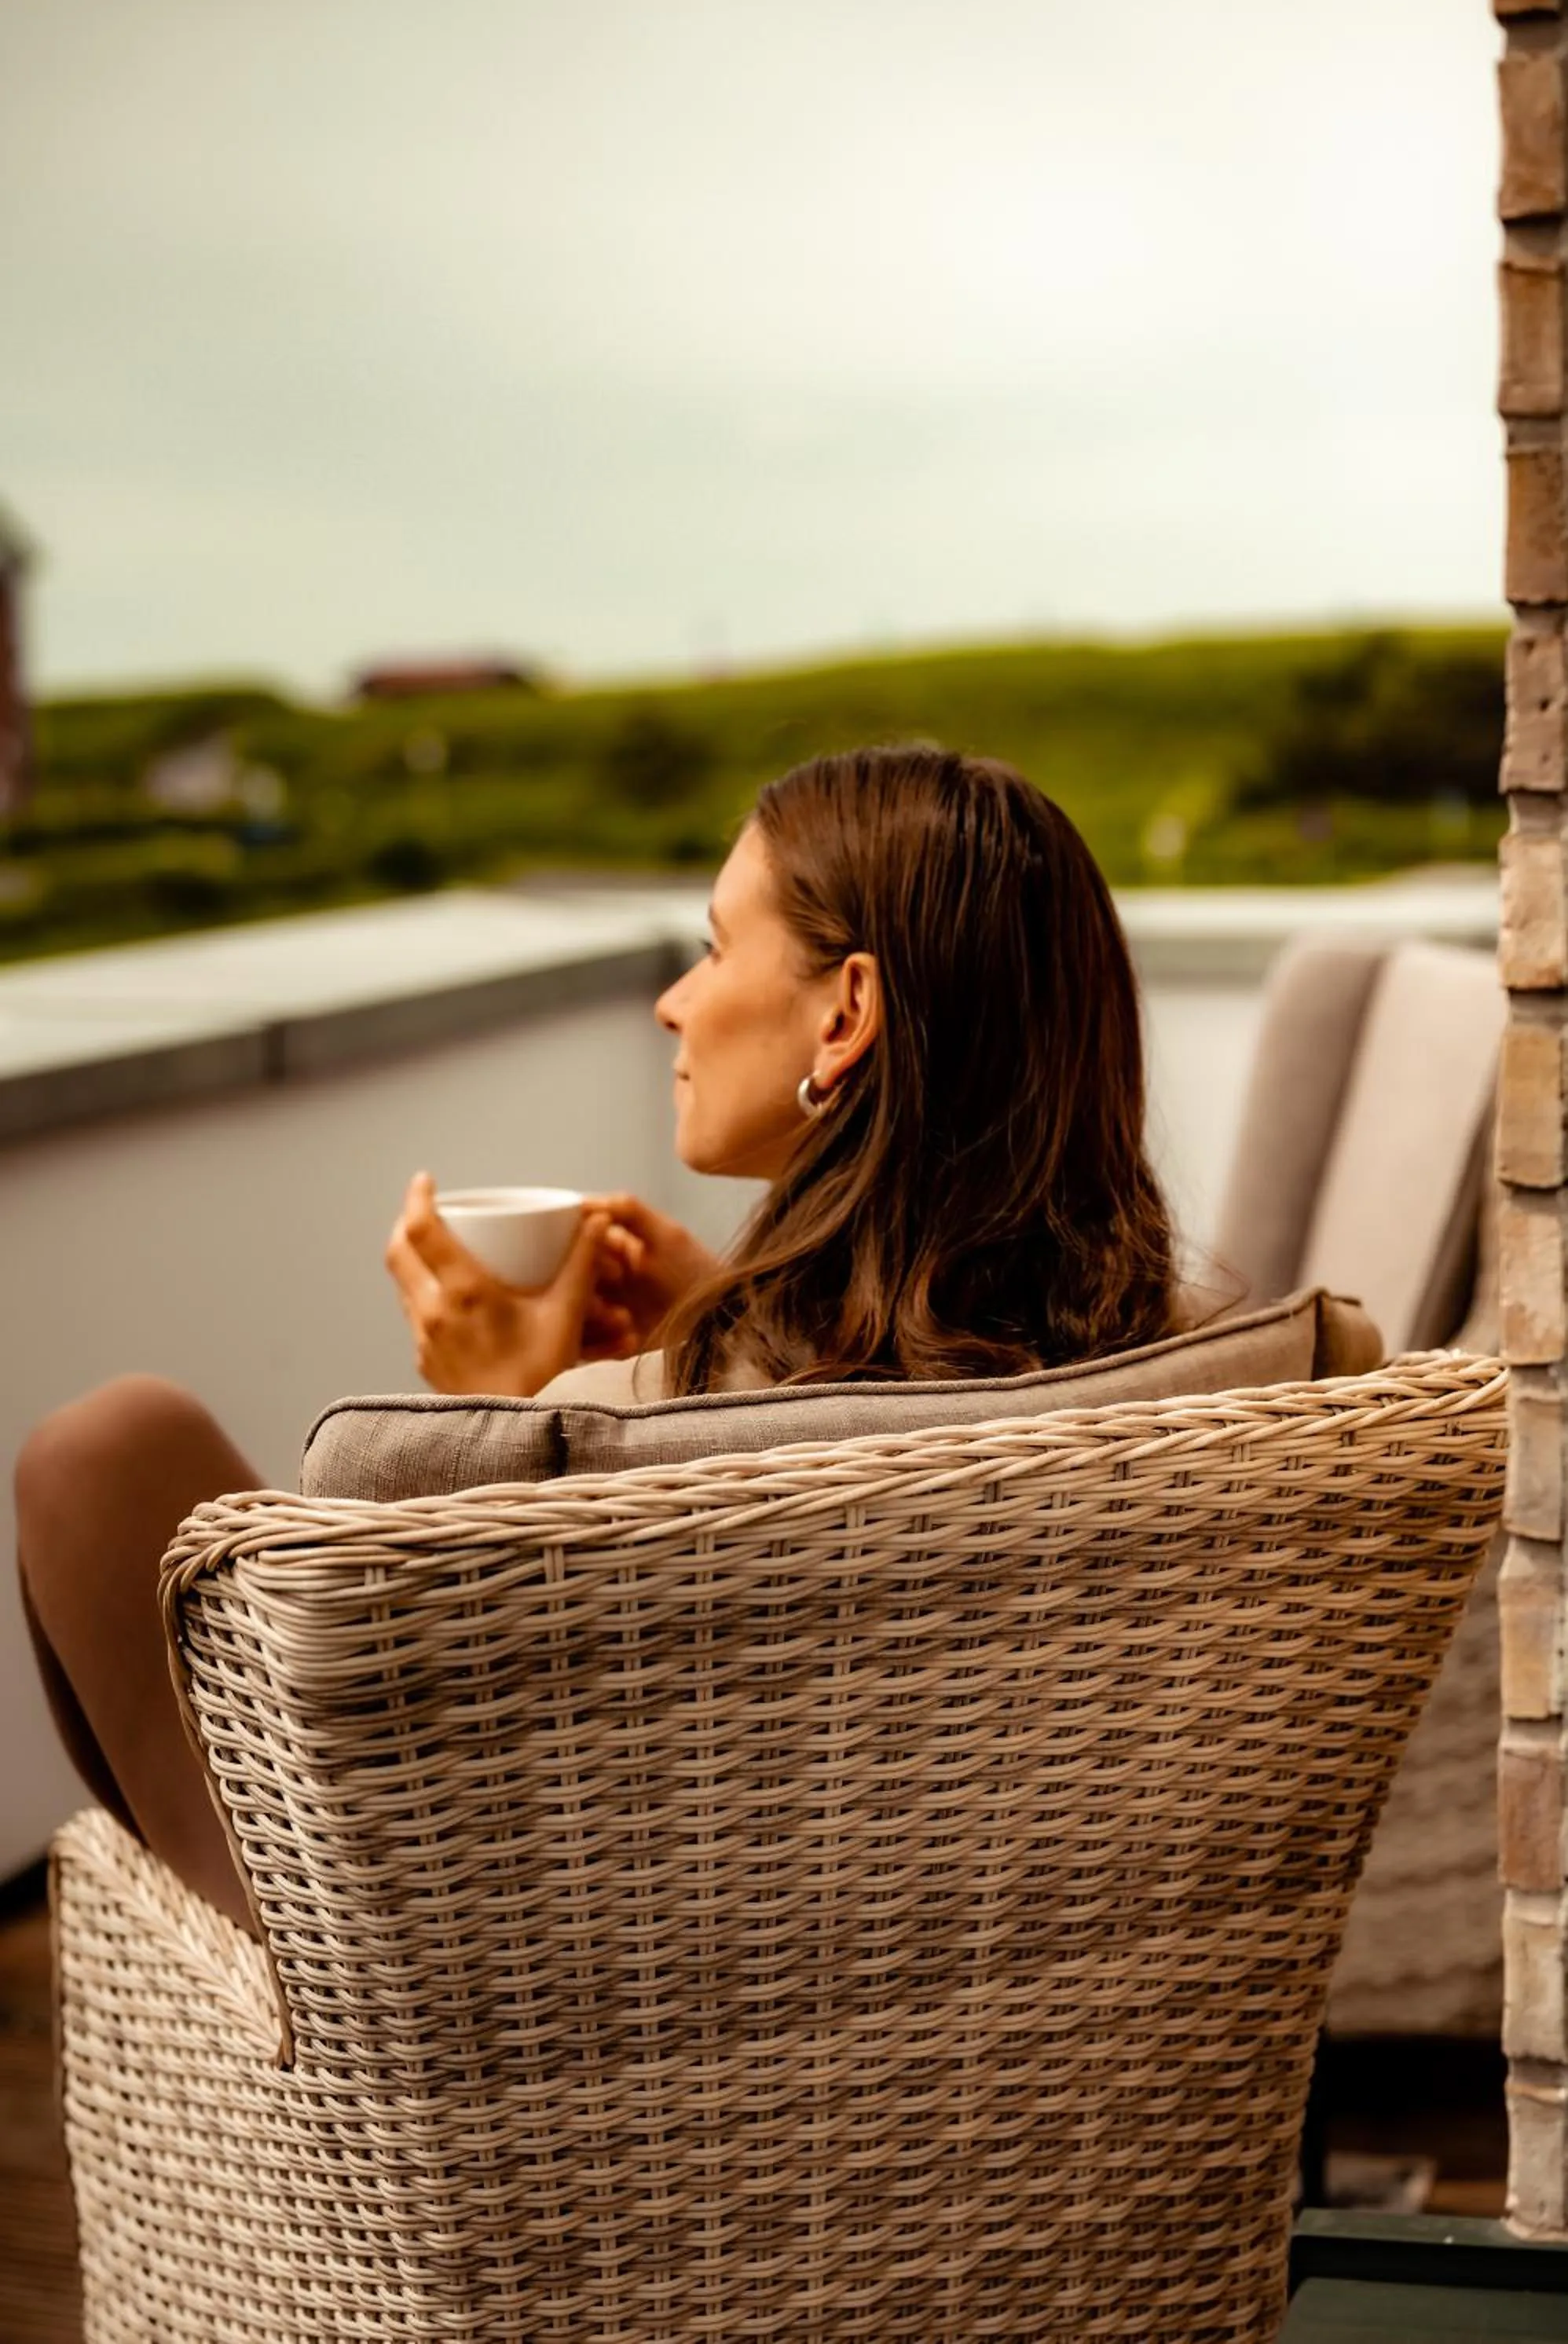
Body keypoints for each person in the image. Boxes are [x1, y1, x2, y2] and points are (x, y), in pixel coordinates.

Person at [15, 744, 1176, 1932]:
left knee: (104, 1453)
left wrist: (517, 1417)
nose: (674, 999)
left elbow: (487, 1730)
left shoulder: (610, 1442)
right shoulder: (1166, 1370)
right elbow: (875, 1465)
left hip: (519, 1989)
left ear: (848, 1016)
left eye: (718, 948)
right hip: (970, 1967)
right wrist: (714, 1330)